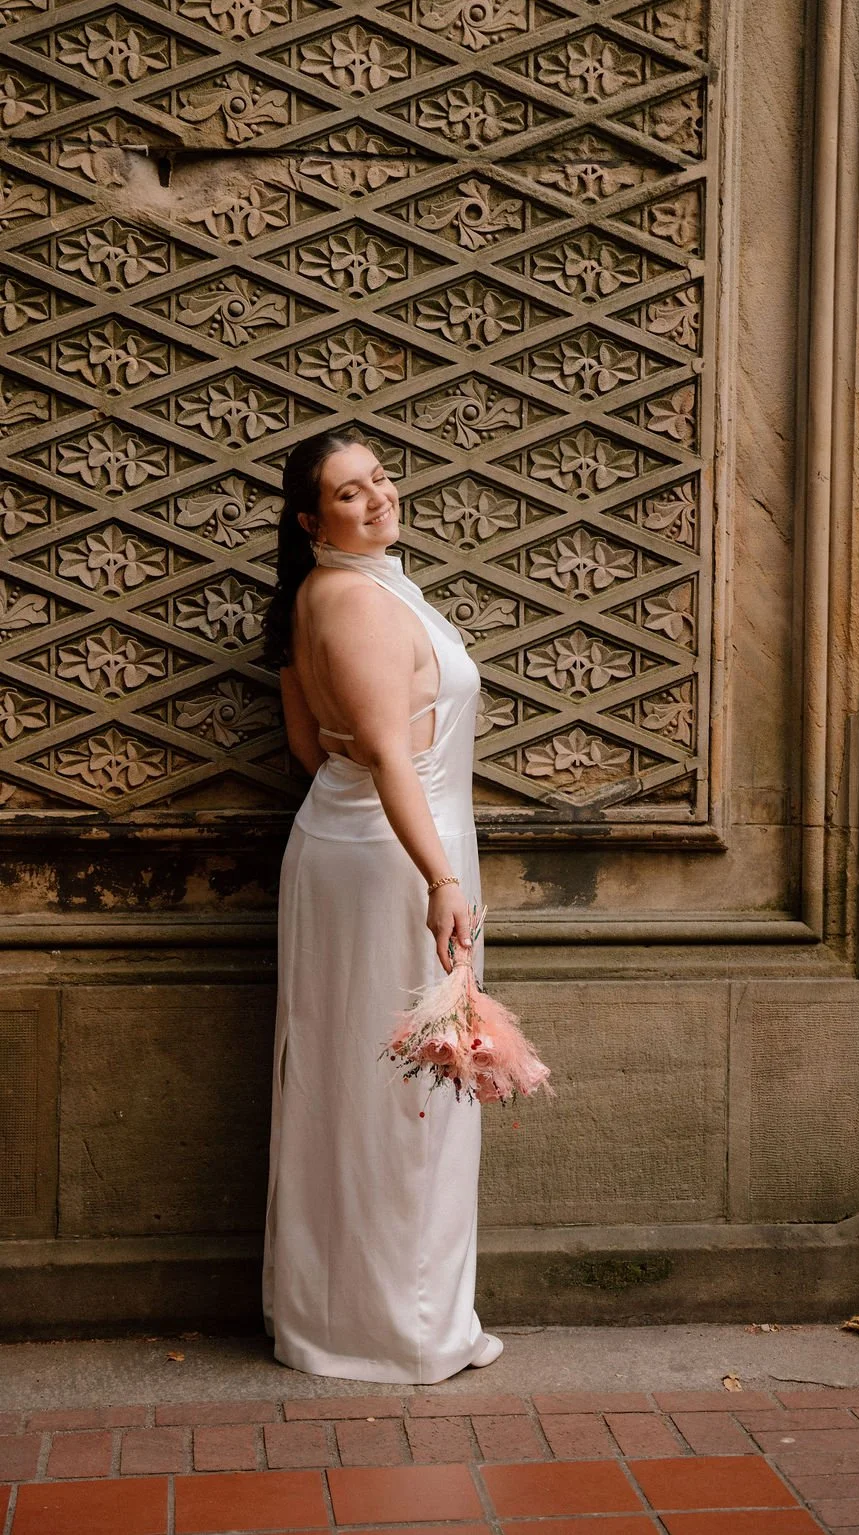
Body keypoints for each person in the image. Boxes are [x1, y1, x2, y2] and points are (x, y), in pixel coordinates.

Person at [259, 426, 503, 1381]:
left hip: (362, 842)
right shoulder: (355, 599)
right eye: (350, 492)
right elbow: (391, 754)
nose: (377, 497)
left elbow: (310, 749)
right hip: (398, 858)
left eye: (381, 478)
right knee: (411, 1087)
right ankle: (400, 1329)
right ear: (311, 520)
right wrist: (439, 878)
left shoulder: (332, 592)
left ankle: (353, 1315)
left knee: (362, 1081)